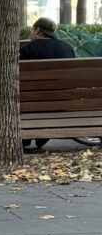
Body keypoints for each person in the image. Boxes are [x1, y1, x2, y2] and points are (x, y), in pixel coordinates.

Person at [20, 17, 75, 150]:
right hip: (63, 99)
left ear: (38, 30)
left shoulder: (28, 50)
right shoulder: (67, 47)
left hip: (33, 101)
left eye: (32, 29)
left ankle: (26, 137)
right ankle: (42, 135)